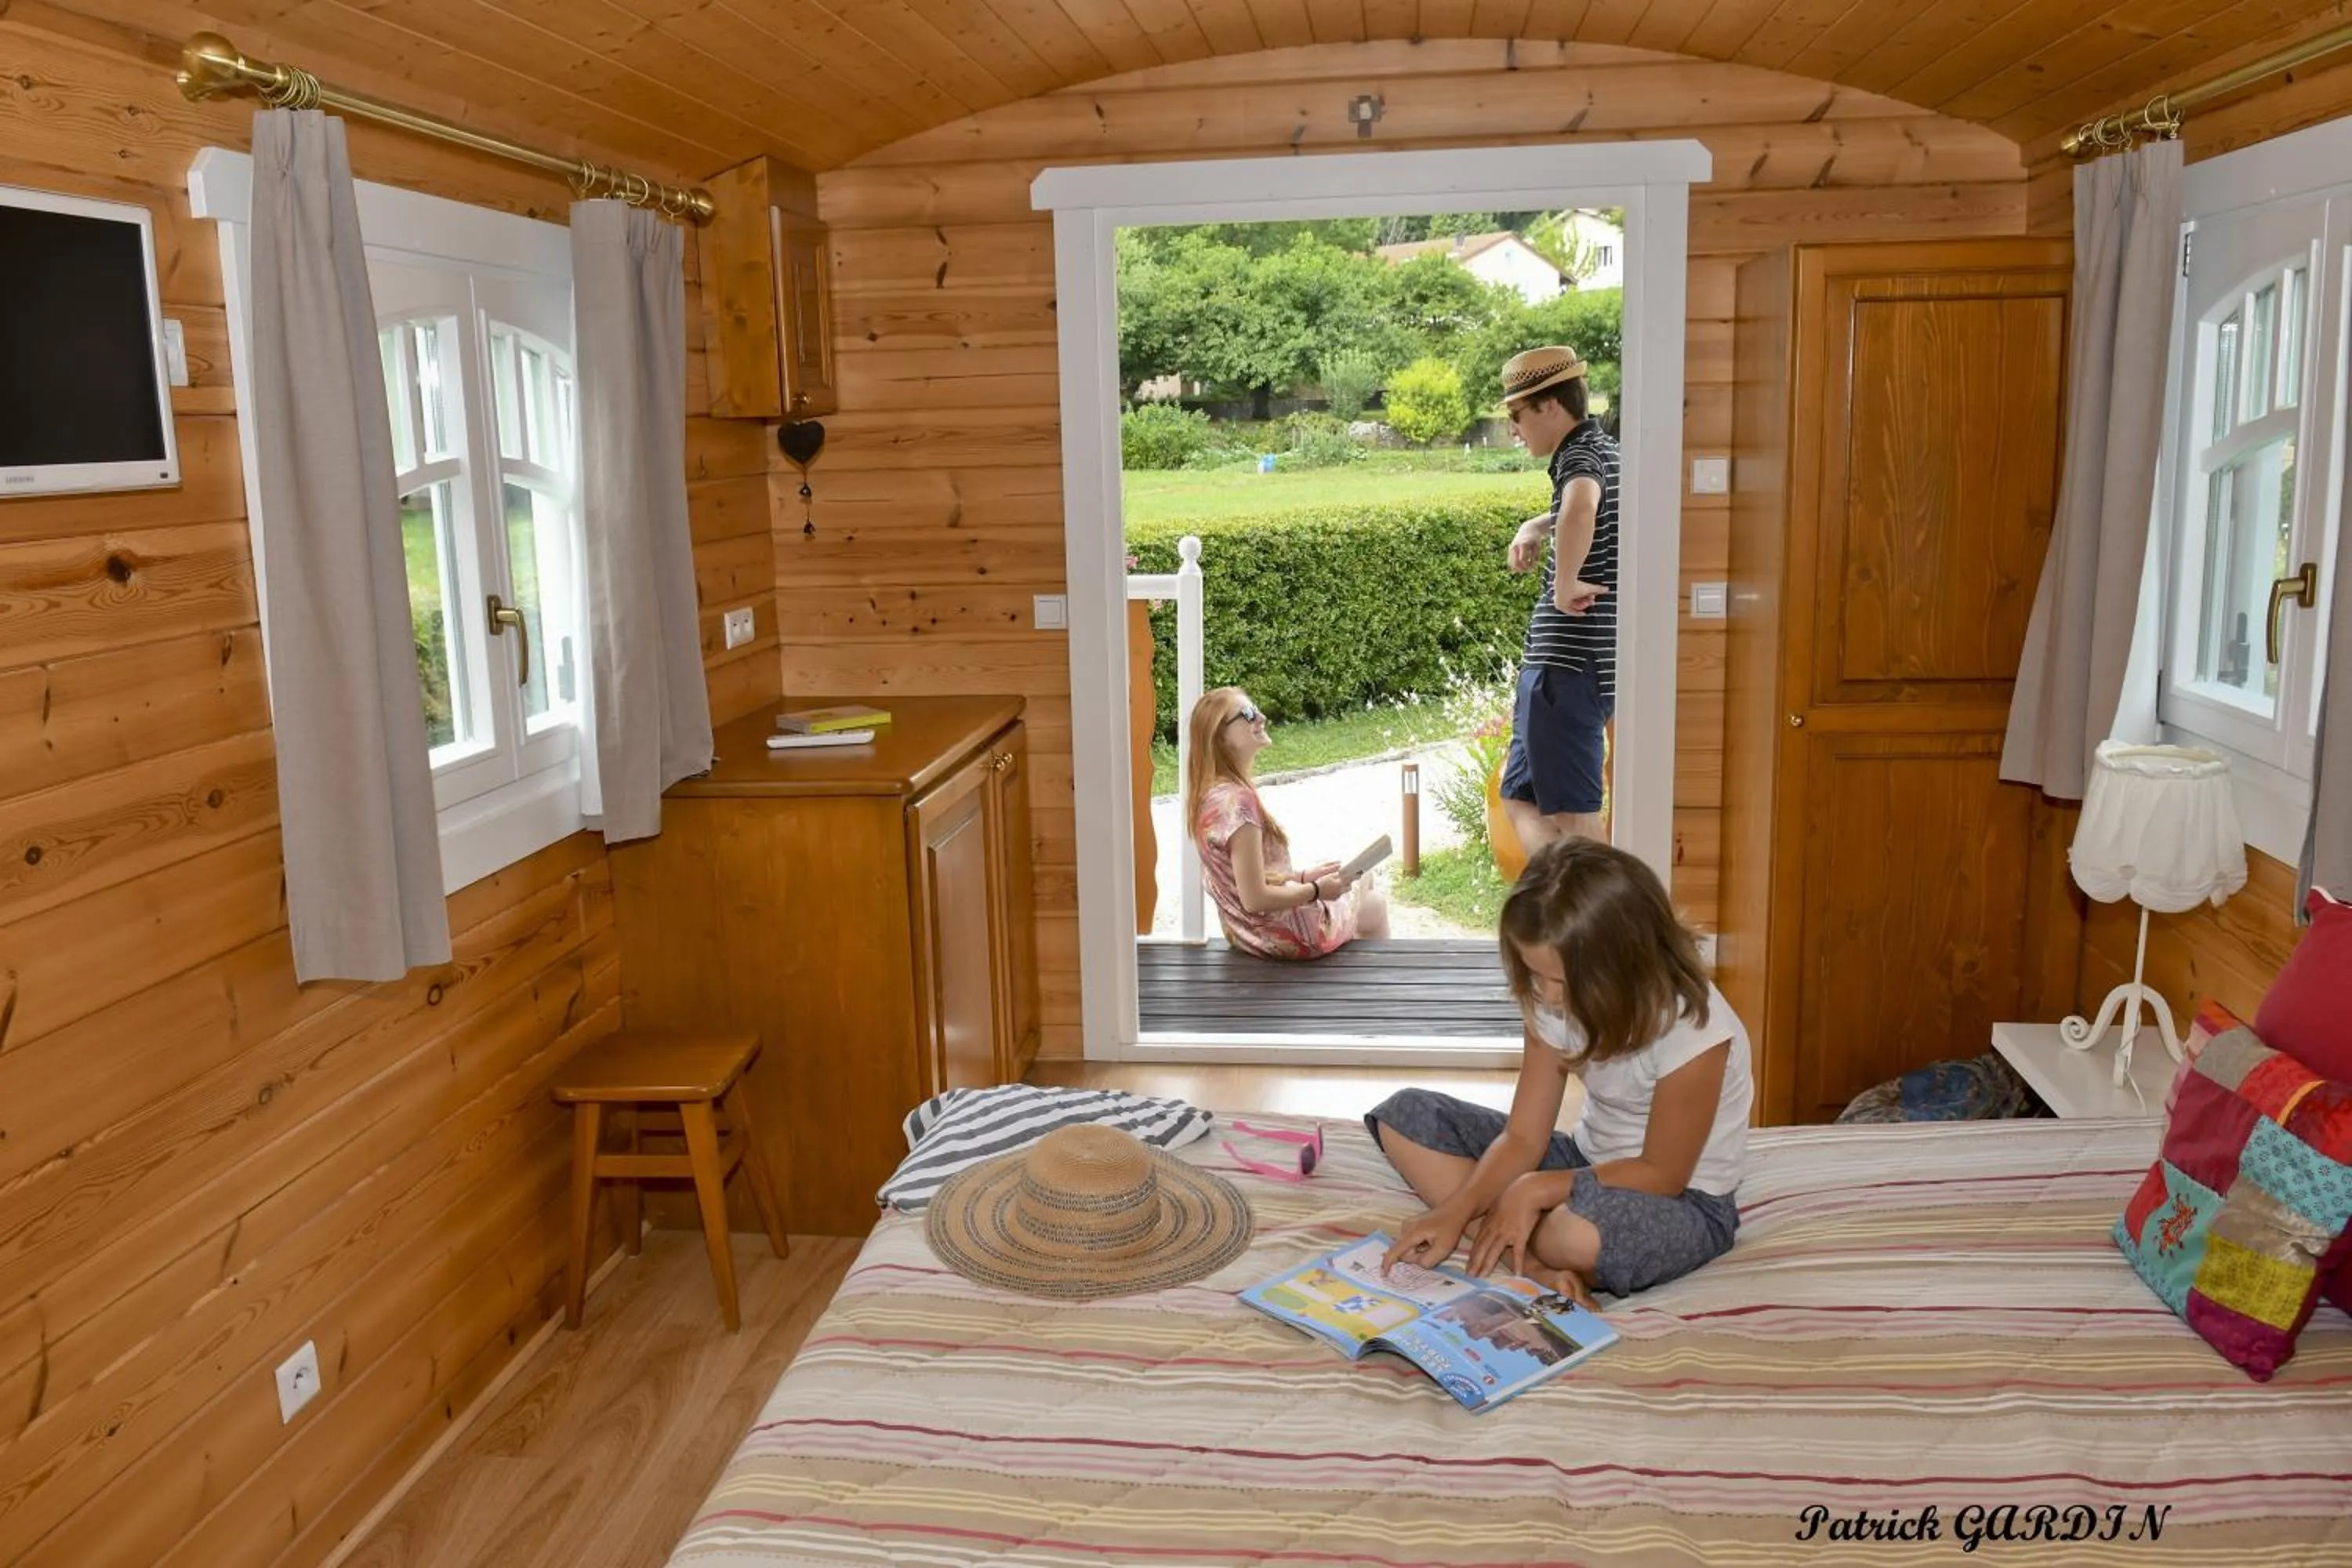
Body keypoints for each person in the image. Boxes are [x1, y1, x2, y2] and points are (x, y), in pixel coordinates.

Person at [1365, 839, 1751, 1305]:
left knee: (1576, 1235)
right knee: (1406, 1114)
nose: (1546, 997)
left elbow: (1662, 1173)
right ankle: (1529, 1265)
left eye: (1562, 983)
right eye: (1534, 975)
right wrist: (1457, 1209)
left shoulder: (1694, 1027)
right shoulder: (1551, 1000)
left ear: (1624, 965)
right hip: (1584, 1162)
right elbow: (1525, 1137)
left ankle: (1525, 1235)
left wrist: (1534, 1189)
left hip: (1681, 1201)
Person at [1497, 345, 1620, 851]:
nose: (1514, 429)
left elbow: (1583, 503)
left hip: (1563, 669)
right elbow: (1580, 504)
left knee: (1576, 823)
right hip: (1568, 667)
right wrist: (1536, 524)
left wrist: (1565, 581)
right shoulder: (1603, 449)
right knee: (1519, 797)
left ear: (1550, 406)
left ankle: (1605, 927)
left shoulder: (1580, 457)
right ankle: (1563, 912)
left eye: (1517, 415)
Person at [1184, 686, 1388, 960]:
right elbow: (1254, 898)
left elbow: (1244, 878)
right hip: (1289, 937)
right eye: (1247, 714)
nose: (1261, 717)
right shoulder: (1238, 803)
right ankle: (1379, 988)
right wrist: (1316, 890)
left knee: (1370, 903)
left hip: (1246, 934)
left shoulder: (1210, 795)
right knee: (1369, 886)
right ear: (1220, 737)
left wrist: (1301, 877)